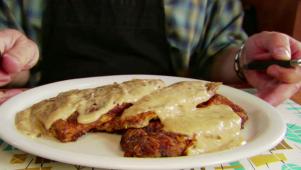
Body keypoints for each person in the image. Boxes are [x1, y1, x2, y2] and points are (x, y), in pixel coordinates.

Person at [0, 0, 300, 106]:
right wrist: (8, 62)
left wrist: (247, 61)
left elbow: (216, 54)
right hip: (50, 107)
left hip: (172, 112)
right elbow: (21, 64)